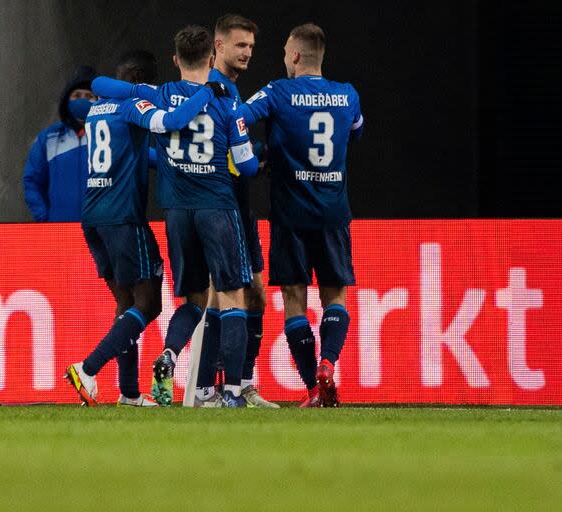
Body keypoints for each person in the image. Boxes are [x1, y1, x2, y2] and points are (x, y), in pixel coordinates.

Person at [94, 25, 259, 408]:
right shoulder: (225, 100)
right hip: (217, 207)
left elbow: (102, 83)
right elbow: (248, 165)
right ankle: (232, 392)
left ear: (174, 60)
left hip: (177, 213)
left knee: (195, 300)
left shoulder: (160, 95)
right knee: (234, 297)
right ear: (211, 59)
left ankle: (168, 355)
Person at [64, 50, 226, 407]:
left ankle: (130, 393)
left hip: (93, 218)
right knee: (149, 303)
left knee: (126, 303)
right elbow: (172, 121)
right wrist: (207, 92)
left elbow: (140, 156)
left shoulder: (96, 110)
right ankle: (88, 369)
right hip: (124, 218)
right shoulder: (133, 106)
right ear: (141, 85)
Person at [238, 23, 363, 407]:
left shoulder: (277, 92)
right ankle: (328, 363)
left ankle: (312, 388)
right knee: (335, 295)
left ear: (293, 56)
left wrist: (253, 154)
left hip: (290, 213)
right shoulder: (347, 95)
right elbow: (354, 134)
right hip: (332, 212)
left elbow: (238, 118)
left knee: (294, 298)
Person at [195, 13, 278, 408]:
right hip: (225, 205)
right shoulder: (215, 90)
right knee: (240, 295)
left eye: (251, 47)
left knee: (233, 296)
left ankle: (219, 387)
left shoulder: (229, 90)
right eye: (240, 45)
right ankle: (228, 388)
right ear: (218, 46)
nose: (246, 53)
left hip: (238, 204)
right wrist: (254, 157)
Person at [23, 65, 96, 222]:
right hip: (61, 233)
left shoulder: (110, 137)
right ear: (67, 100)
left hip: (102, 233)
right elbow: (32, 181)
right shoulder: (48, 138)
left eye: (89, 96)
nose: (83, 100)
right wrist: (44, 218)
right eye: (77, 95)